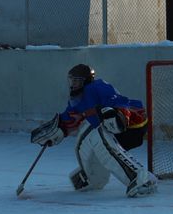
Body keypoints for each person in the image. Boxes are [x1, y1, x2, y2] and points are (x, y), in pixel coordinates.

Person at [30, 64, 157, 198]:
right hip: (110, 130)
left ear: (86, 81)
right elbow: (69, 118)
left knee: (95, 133)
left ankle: (141, 178)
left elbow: (119, 102)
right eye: (71, 81)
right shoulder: (76, 99)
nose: (73, 85)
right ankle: (93, 178)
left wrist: (118, 115)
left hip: (131, 127)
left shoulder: (97, 87)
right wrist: (56, 130)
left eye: (77, 81)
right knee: (85, 139)